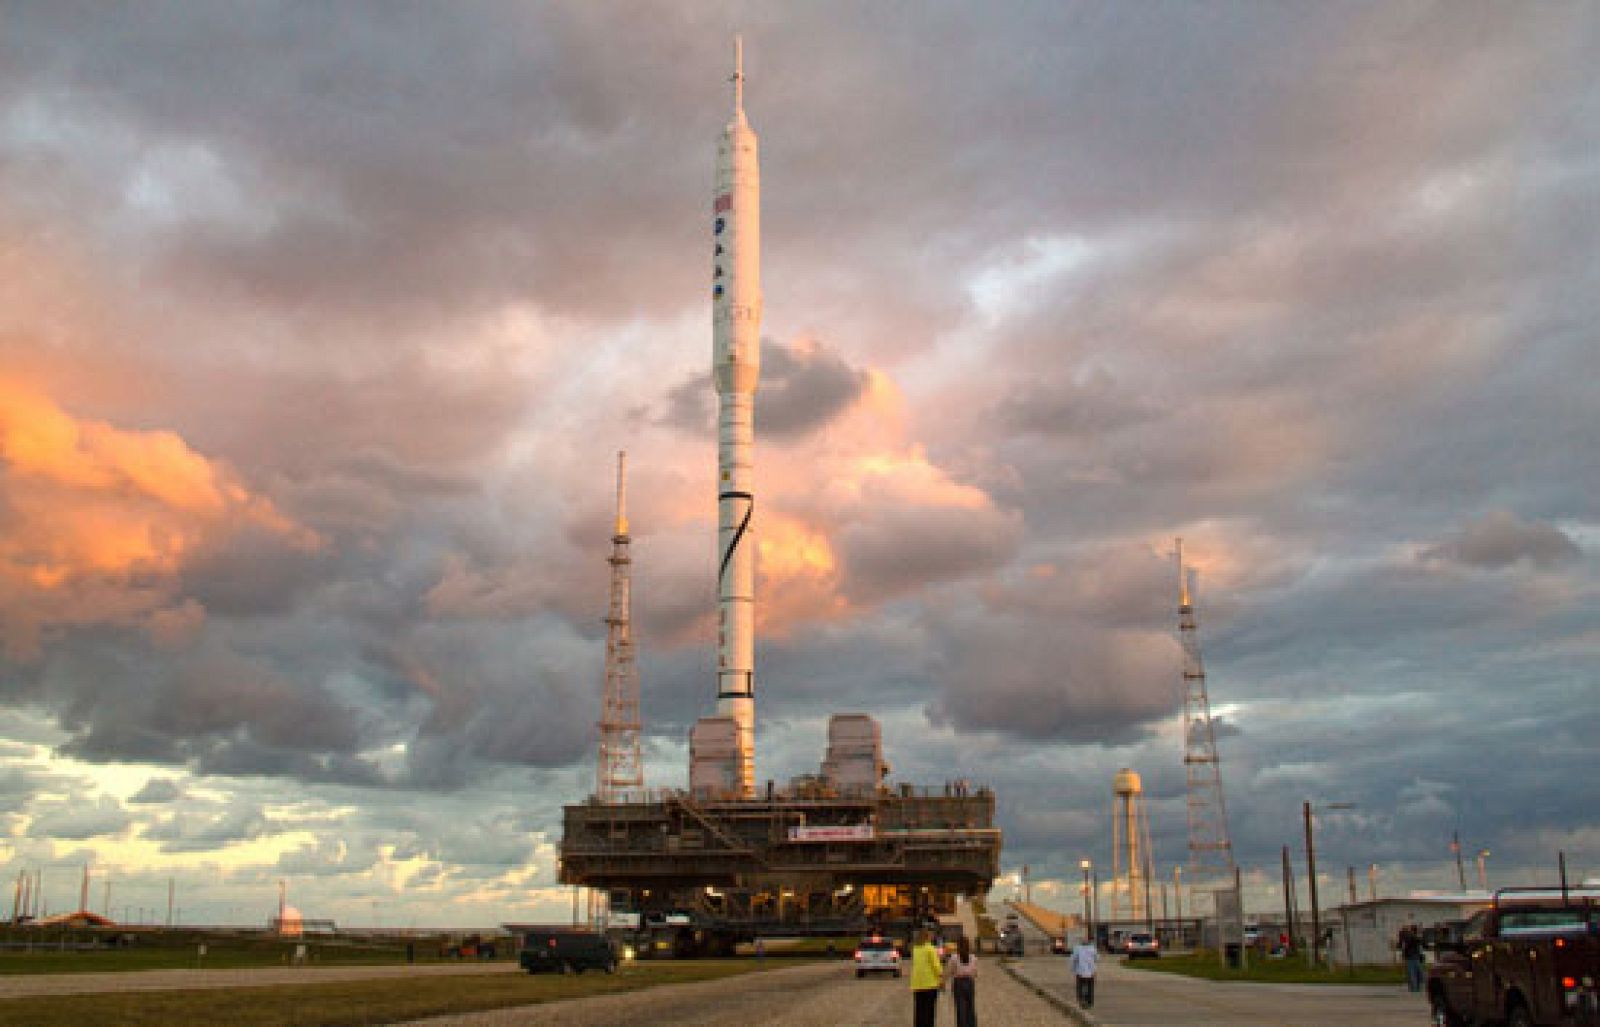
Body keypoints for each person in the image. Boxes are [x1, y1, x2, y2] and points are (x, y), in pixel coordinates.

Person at [910, 929, 944, 1027]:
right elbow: (936, 965)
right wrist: (941, 976)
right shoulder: (930, 948)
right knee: (929, 1010)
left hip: (917, 984)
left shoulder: (915, 949)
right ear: (927, 937)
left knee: (919, 1010)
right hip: (930, 983)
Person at [944, 934, 978, 1027]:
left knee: (960, 1009)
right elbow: (975, 973)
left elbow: (949, 972)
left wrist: (942, 981)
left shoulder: (954, 957)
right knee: (970, 1007)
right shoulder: (973, 958)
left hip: (958, 984)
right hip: (970, 983)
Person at [1070, 934, 1098, 1009]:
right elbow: (1097, 958)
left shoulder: (1077, 948)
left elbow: (1073, 959)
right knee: (1090, 987)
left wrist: (1072, 968)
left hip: (1080, 972)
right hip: (1091, 971)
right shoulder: (1093, 948)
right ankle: (1089, 1002)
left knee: (1080, 986)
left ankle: (1081, 1000)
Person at [1398, 924, 1425, 992]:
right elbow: (1417, 942)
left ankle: (1415, 987)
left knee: (1414, 972)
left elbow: (1402, 945)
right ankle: (1415, 988)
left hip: (1413, 956)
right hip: (1413, 956)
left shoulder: (1409, 936)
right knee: (1415, 972)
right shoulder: (1411, 936)